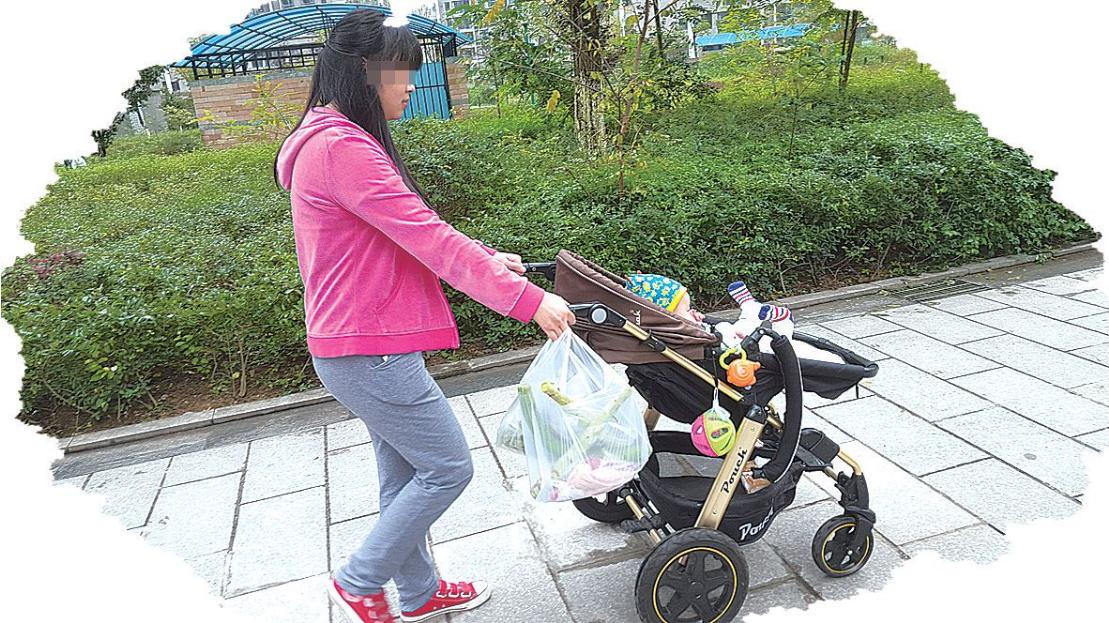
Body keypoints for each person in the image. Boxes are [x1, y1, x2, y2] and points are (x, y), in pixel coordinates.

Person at [274, 11, 575, 623]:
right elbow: (428, 237)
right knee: (447, 467)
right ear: (363, 72)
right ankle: (361, 580)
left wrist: (492, 260)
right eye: (400, 73)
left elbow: (401, 236)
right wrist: (529, 302)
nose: (410, 85)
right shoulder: (340, 148)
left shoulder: (328, 138)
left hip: (361, 345)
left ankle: (417, 594)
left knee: (405, 476)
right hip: (368, 350)